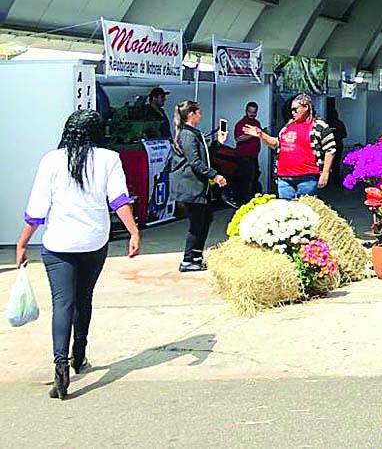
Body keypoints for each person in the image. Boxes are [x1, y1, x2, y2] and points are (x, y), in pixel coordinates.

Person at [15, 109, 141, 399]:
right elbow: (119, 200)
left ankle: (60, 367)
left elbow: (37, 208)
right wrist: (133, 232)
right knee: (84, 298)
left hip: (58, 243)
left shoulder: (51, 160)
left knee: (63, 303)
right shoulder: (109, 158)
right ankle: (79, 354)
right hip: (94, 241)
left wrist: (22, 243)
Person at [242, 93, 338, 199]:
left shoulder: (319, 126)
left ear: (306, 107)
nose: (293, 112)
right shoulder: (288, 125)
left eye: (295, 109)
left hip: (307, 178)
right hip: (284, 178)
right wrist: (261, 134)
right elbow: (277, 144)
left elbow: (330, 149)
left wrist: (325, 173)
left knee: (304, 211)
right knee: (287, 211)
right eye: (291, 110)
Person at [169, 100, 227, 273]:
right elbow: (195, 162)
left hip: (197, 186)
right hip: (189, 186)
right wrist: (215, 175)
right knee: (197, 223)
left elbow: (204, 155)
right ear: (191, 114)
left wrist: (218, 143)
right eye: (199, 112)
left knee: (205, 219)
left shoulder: (193, 133)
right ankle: (188, 259)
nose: (201, 116)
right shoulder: (187, 134)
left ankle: (196, 257)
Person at [218, 100, 262, 208]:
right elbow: (238, 138)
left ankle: (251, 201)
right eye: (251, 112)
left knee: (253, 179)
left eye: (254, 112)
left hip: (254, 156)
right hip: (244, 157)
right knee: (246, 180)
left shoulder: (257, 123)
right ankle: (243, 202)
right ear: (246, 111)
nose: (252, 114)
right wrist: (252, 134)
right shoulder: (241, 123)